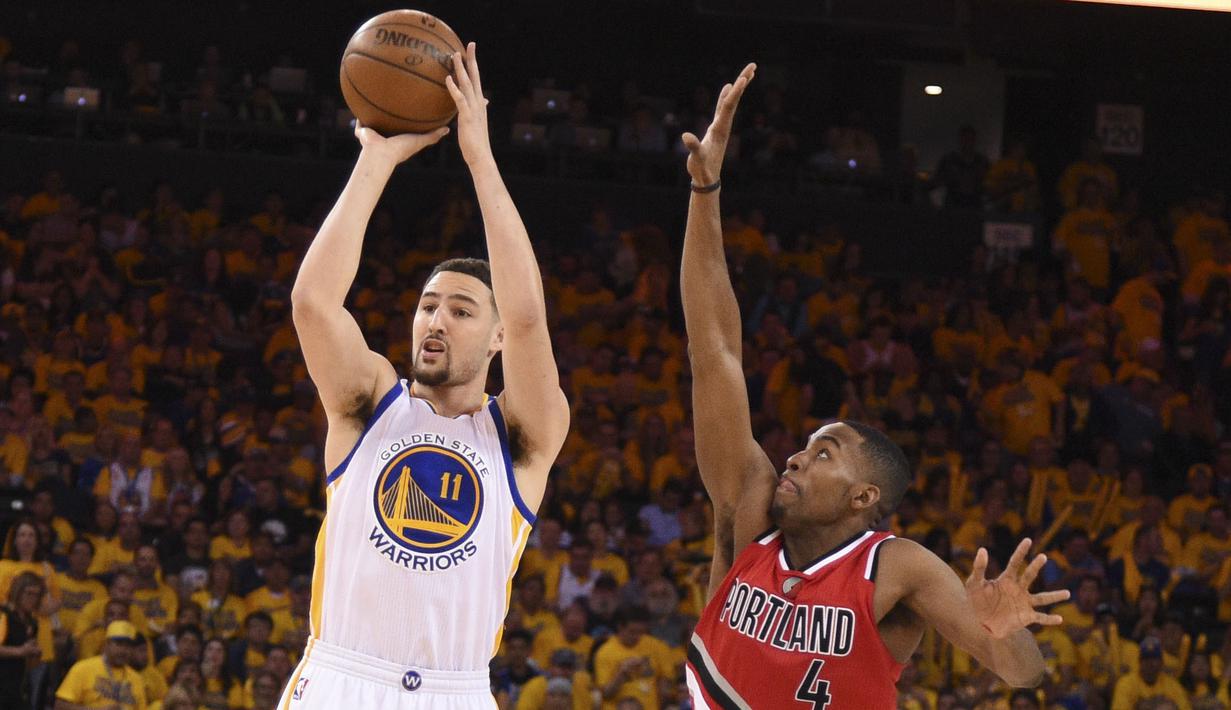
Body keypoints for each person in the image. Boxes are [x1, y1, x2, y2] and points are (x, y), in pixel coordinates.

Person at [677, 64, 1069, 707]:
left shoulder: (897, 568)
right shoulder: (749, 512)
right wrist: (705, 192)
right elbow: (714, 351)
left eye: (825, 452)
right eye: (808, 444)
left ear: (864, 496)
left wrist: (1000, 631)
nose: (798, 455)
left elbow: (1024, 675)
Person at [280, 42, 569, 709]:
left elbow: (528, 317)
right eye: (427, 306)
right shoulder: (369, 405)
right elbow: (312, 304)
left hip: (454, 692)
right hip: (341, 681)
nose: (434, 322)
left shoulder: (525, 433)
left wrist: (479, 158)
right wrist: (374, 161)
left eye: (461, 311)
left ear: (496, 338)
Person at [55, 620, 147, 709]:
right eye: (119, 644)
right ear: (107, 644)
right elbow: (60, 706)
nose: (123, 650)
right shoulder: (83, 668)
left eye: (128, 646)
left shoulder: (136, 679)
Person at [0, 572, 45, 707]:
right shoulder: (4, 614)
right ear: (17, 591)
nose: (33, 599)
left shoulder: (32, 622)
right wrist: (21, 651)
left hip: (18, 685)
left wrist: (34, 653)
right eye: (29, 593)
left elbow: (30, 663)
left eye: (37, 595)